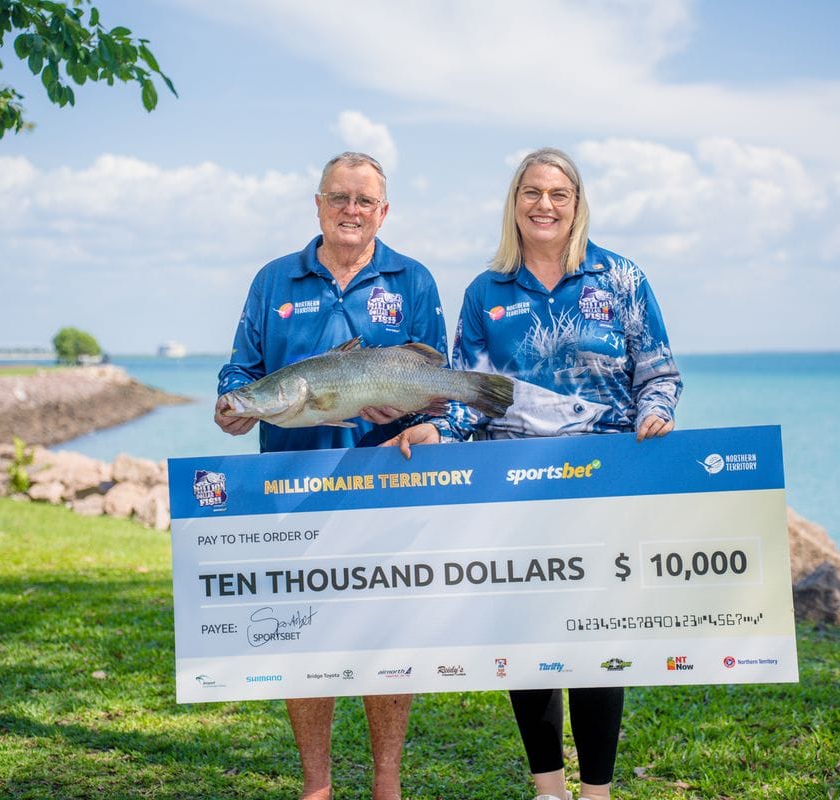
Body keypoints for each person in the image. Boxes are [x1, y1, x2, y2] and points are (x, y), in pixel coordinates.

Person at [387, 147, 682, 800]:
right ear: (514, 203)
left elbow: (658, 372)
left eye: (558, 194)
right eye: (531, 192)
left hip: (603, 485)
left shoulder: (621, 278)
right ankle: (549, 790)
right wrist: (441, 429)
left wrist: (655, 413)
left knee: (598, 638)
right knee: (529, 640)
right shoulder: (486, 293)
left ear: (577, 205)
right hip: (512, 490)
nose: (543, 205)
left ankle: (597, 792)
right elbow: (471, 393)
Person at [215, 151, 448, 800]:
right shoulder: (273, 281)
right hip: (291, 489)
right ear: (317, 204)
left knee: (385, 634)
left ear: (383, 211)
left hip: (387, 487)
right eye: (339, 198)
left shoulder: (414, 281)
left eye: (364, 201)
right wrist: (230, 404)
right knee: (302, 633)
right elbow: (240, 371)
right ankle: (316, 785)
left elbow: (440, 387)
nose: (351, 210)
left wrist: (419, 419)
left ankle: (386, 780)